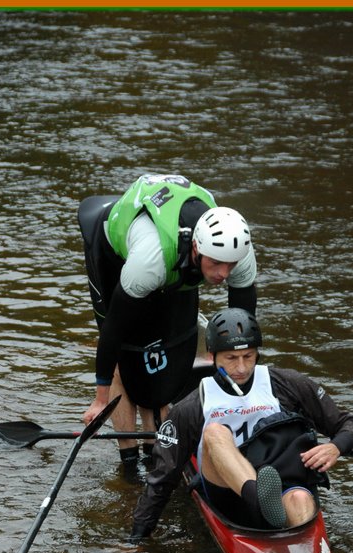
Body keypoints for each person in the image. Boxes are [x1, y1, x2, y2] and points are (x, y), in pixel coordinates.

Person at [77, 173, 258, 477]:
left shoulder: (238, 250)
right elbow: (113, 331)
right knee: (129, 355)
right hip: (115, 255)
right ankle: (130, 463)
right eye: (216, 263)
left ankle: (156, 452)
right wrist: (100, 400)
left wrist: (241, 390)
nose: (224, 273)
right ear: (197, 248)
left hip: (175, 261)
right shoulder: (151, 260)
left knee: (167, 352)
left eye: (231, 265)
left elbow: (242, 331)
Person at [129, 308, 353, 541]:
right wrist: (137, 537)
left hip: (280, 484)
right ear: (212, 356)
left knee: (301, 500)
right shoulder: (193, 406)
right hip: (226, 492)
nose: (241, 368)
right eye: (231, 358)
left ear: (257, 354)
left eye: (248, 356)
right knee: (214, 432)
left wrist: (335, 447)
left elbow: (348, 425)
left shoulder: (287, 384)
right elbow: (163, 477)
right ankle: (259, 501)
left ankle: (297, 542)